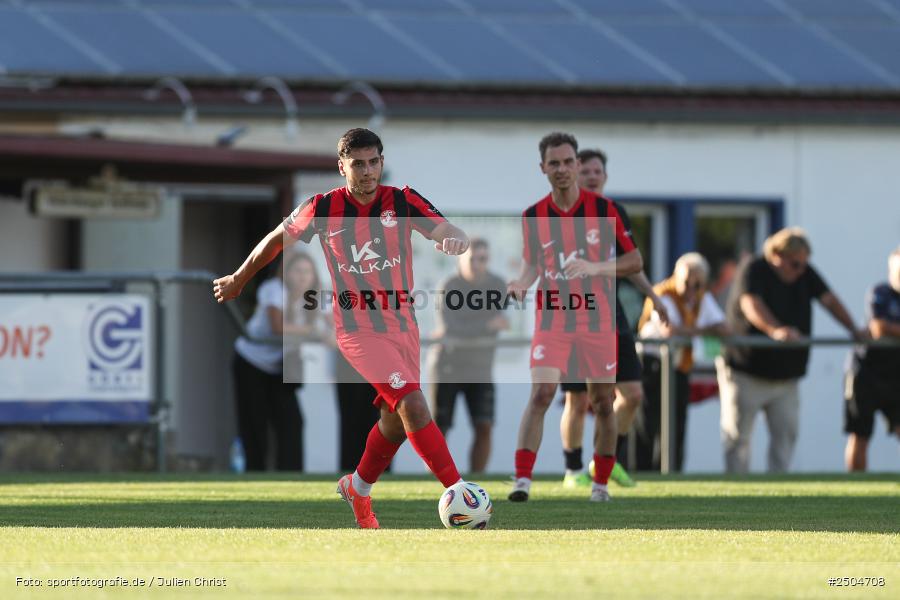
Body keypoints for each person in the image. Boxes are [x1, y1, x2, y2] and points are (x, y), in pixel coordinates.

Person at [214, 128, 469, 528]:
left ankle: (358, 489)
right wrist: (240, 278)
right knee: (414, 405)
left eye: (373, 162)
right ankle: (458, 491)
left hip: (404, 327)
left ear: (381, 162)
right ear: (342, 167)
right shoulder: (322, 208)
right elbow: (276, 240)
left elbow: (450, 231)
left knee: (394, 421)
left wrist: (455, 241)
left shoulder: (401, 200)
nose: (367, 172)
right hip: (357, 331)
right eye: (358, 164)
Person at [507, 132, 642, 503]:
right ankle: (522, 481)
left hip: (598, 321)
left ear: (577, 165)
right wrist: (520, 283)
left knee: (601, 401)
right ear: (543, 168)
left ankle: (599, 485)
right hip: (553, 320)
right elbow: (532, 265)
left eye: (569, 162)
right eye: (555, 163)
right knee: (542, 394)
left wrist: (595, 266)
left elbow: (634, 261)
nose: (563, 169)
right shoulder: (533, 216)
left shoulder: (604, 209)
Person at [558, 148, 669, 489]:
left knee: (632, 394)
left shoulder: (614, 213)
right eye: (585, 170)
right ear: (576, 174)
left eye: (597, 171)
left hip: (612, 312)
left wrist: (654, 296)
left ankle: (603, 461)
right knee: (578, 399)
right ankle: (573, 470)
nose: (591, 176)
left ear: (605, 176)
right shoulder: (563, 212)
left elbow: (630, 262)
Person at [717, 227, 865, 473]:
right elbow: (750, 304)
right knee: (737, 438)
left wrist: (854, 330)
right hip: (746, 372)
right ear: (777, 255)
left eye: (803, 265)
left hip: (786, 377)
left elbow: (829, 300)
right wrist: (775, 331)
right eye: (795, 264)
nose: (800, 270)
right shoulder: (754, 269)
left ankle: (778, 494)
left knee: (785, 437)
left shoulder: (804, 273)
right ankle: (736, 494)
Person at [637, 252, 727, 471]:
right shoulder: (661, 294)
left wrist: (693, 332)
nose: (691, 290)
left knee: (676, 425)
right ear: (676, 277)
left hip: (679, 367)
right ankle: (643, 473)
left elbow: (724, 328)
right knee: (648, 424)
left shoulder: (702, 298)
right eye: (687, 282)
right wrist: (704, 331)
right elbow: (670, 332)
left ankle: (672, 472)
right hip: (652, 365)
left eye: (698, 285)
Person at [232, 251, 320, 471]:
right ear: (287, 273)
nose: (302, 277)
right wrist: (313, 332)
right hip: (251, 363)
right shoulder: (273, 290)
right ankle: (255, 474)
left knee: (292, 422)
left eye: (307, 272)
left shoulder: (314, 297)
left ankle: (291, 476)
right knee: (255, 423)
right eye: (297, 271)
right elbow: (277, 327)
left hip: (280, 367)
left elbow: (331, 325)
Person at [428, 238, 509, 473]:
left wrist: (472, 326)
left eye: (482, 259)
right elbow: (451, 328)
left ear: (488, 260)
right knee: (439, 429)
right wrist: (486, 325)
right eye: (471, 259)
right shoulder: (449, 285)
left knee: (484, 425)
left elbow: (501, 320)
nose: (476, 264)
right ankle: (438, 482)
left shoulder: (498, 284)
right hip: (447, 366)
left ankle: (475, 482)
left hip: (480, 367)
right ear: (460, 259)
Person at [844, 247, 900, 471]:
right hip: (865, 373)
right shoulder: (880, 292)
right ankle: (855, 490)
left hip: (896, 374)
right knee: (861, 434)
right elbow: (878, 327)